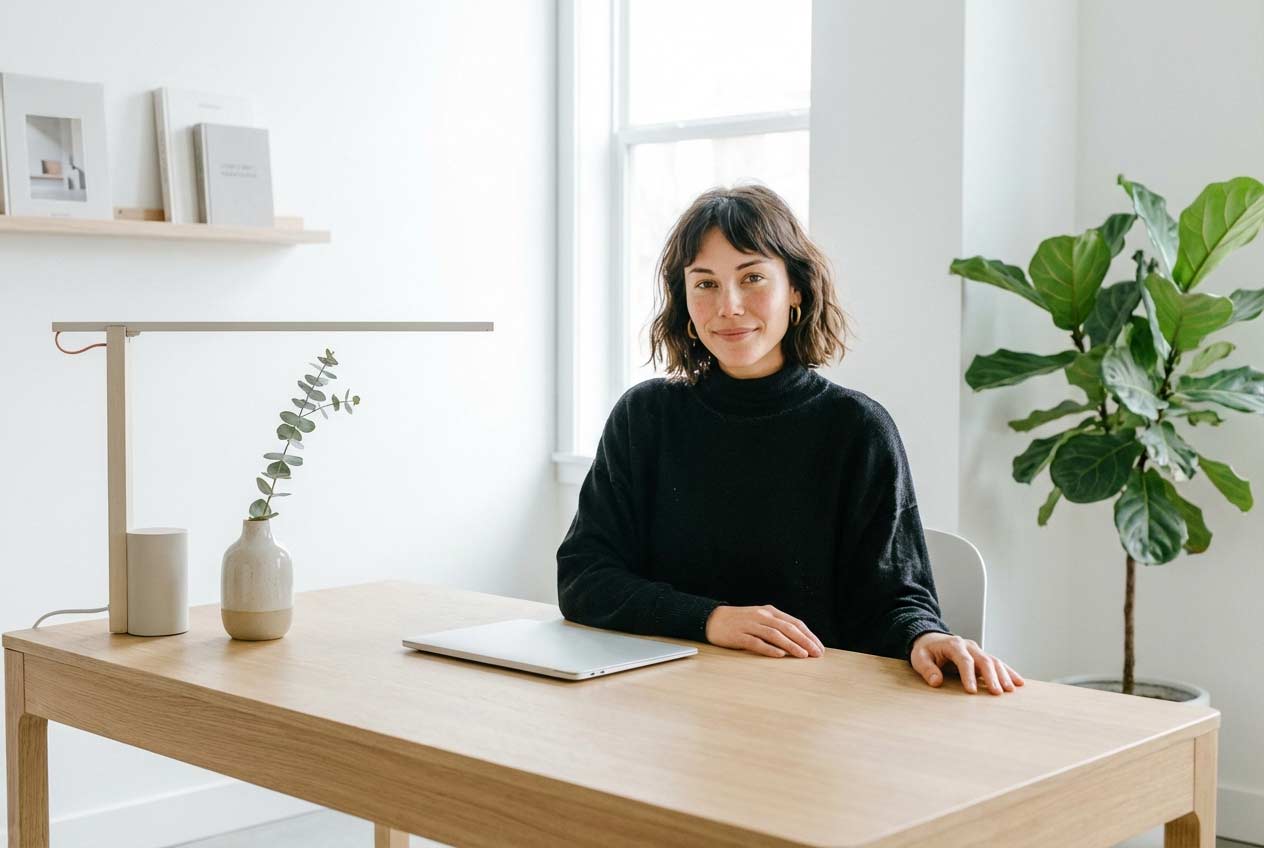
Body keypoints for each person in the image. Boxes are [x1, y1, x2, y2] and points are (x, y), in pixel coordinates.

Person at [556, 184, 1023, 696]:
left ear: (796, 288)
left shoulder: (857, 429)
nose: (728, 306)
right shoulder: (643, 417)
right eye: (704, 283)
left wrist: (924, 634)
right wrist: (712, 619)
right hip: (664, 703)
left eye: (752, 277)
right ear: (683, 298)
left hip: (812, 707)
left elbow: (893, 599)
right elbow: (584, 578)